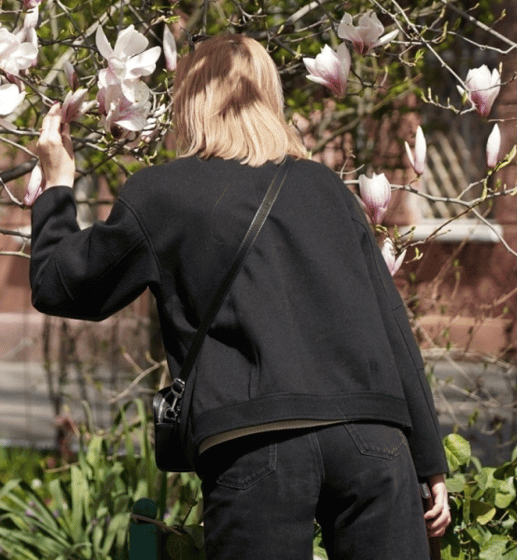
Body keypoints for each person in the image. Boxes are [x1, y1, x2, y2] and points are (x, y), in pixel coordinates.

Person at [29, 34, 451, 560]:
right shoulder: (327, 189)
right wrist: (428, 459)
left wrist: (56, 186)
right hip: (371, 437)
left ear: (190, 100)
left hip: (255, 440)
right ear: (270, 98)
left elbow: (61, 287)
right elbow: (391, 324)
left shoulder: (161, 193)